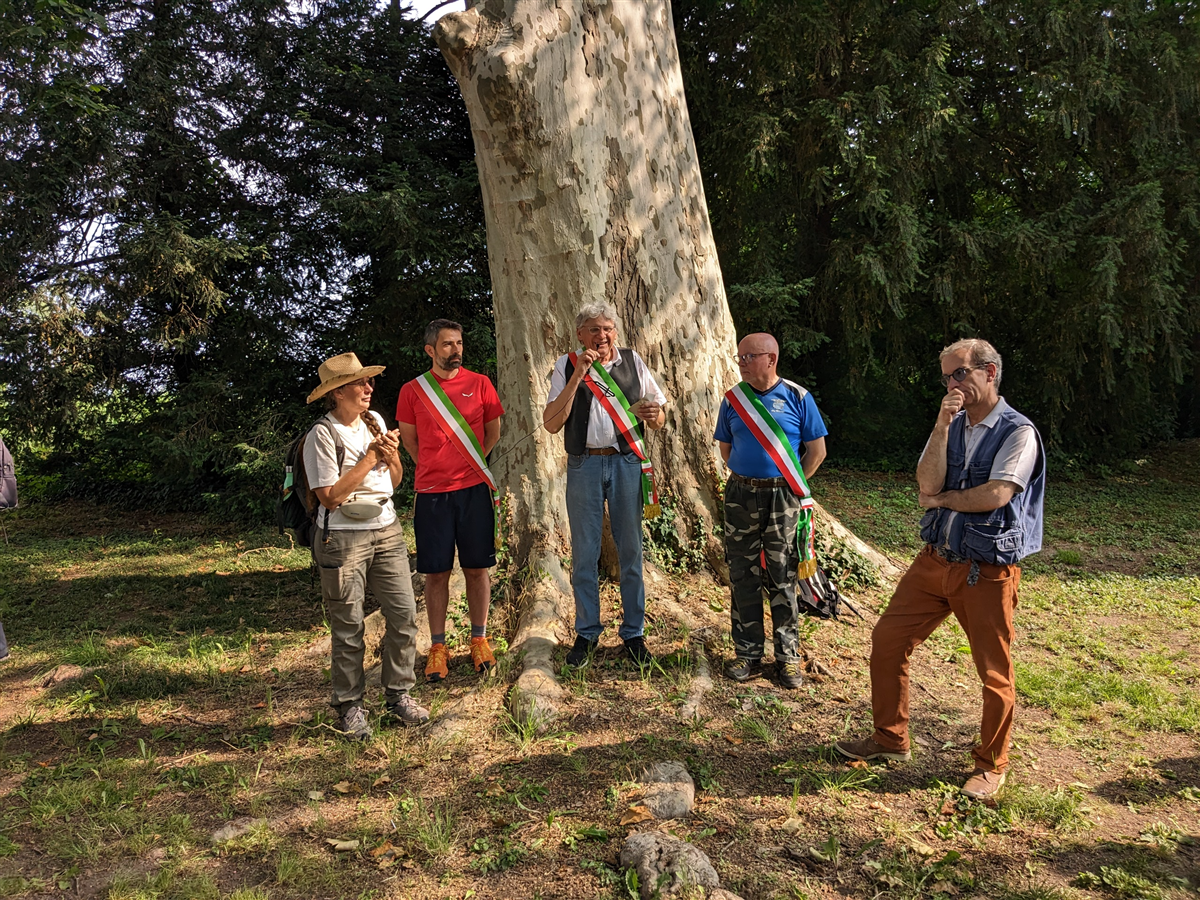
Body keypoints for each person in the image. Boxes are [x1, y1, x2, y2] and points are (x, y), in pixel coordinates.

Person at [835, 338, 1044, 800]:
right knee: (889, 639)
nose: (951, 384)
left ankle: (992, 765)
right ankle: (890, 739)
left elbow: (996, 495)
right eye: (947, 376)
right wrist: (941, 425)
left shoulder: (1018, 431)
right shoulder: (953, 425)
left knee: (994, 672)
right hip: (935, 561)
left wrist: (943, 500)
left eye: (960, 374)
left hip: (986, 571)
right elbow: (926, 481)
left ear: (989, 373)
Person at [305, 352, 428, 740]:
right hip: (341, 537)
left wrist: (390, 459)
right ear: (338, 393)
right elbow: (329, 496)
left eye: (368, 382)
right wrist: (370, 457)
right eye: (360, 384)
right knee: (348, 625)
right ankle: (350, 705)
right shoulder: (321, 436)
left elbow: (394, 481)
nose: (368, 389)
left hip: (386, 528)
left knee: (405, 614)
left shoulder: (375, 422)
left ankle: (399, 694)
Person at [543, 302, 666, 668]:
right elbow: (551, 424)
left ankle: (634, 634)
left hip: (627, 462)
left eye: (608, 328)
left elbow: (659, 418)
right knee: (584, 553)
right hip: (584, 464)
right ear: (580, 334)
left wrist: (653, 414)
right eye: (594, 329)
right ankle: (587, 633)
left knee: (630, 550)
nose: (603, 336)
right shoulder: (565, 366)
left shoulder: (632, 362)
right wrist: (579, 376)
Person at [715, 333, 828, 689]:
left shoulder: (797, 397)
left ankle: (788, 658)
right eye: (740, 358)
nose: (742, 363)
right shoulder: (733, 399)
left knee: (783, 573)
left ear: (771, 359)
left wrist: (789, 483)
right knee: (742, 574)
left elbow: (816, 451)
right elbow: (726, 449)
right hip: (740, 494)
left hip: (784, 498)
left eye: (749, 357)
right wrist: (751, 477)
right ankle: (746, 654)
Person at [396, 319, 504, 681]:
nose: (455, 350)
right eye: (447, 345)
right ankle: (438, 646)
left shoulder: (481, 384)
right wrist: (437, 468)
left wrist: (468, 466)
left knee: (477, 568)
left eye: (459, 343)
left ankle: (479, 639)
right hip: (431, 495)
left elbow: (493, 432)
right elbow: (410, 443)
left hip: (474, 491)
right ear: (430, 350)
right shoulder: (412, 391)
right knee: (436, 573)